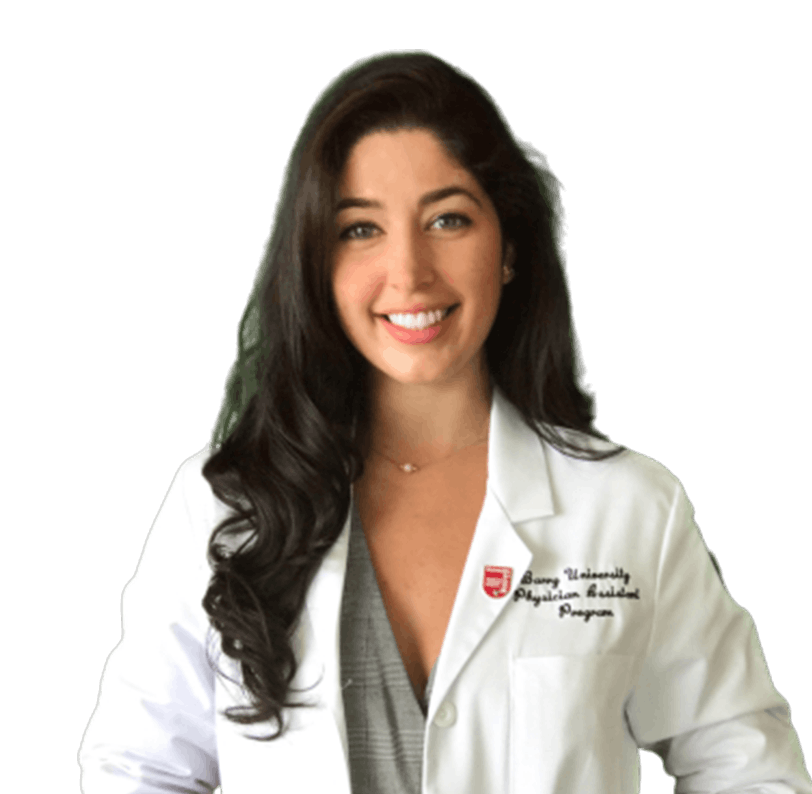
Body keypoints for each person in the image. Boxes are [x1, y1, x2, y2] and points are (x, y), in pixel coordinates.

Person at [78, 49, 812, 794]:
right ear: (315, 262)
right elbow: (140, 771)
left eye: (448, 219)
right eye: (361, 230)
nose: (410, 272)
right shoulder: (223, 505)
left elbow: (747, 765)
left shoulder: (627, 510)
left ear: (509, 247)